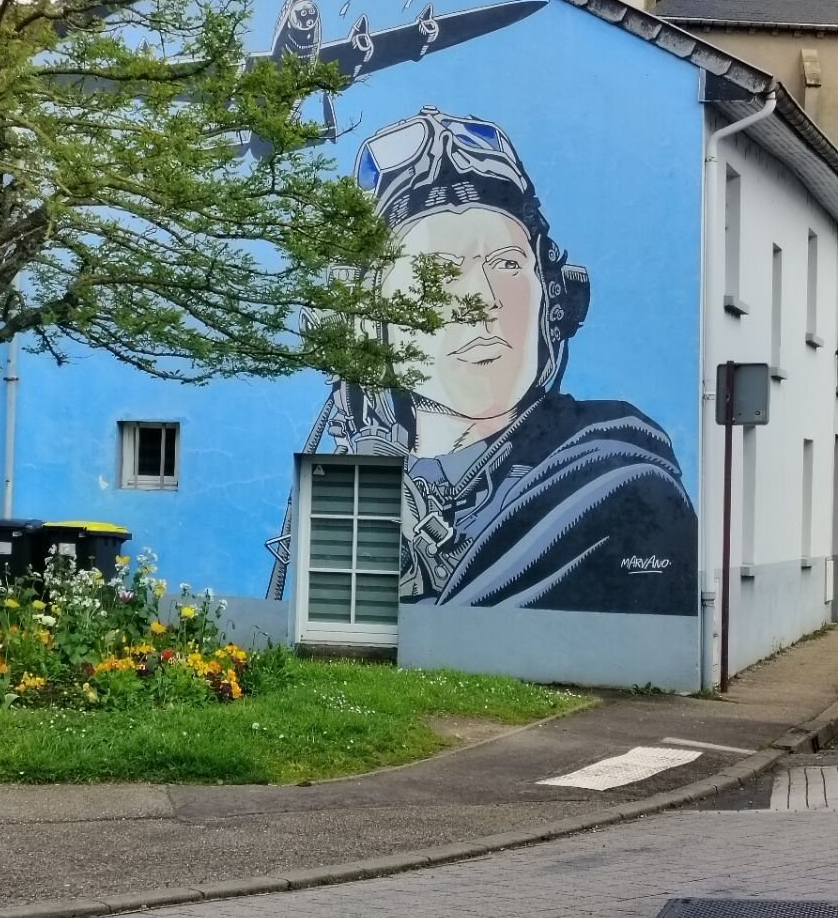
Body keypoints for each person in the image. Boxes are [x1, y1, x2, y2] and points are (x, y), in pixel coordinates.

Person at [270, 105, 697, 615]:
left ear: (554, 299)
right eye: (438, 270)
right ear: (366, 318)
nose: (483, 298)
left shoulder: (616, 491)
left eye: (507, 264)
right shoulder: (354, 488)